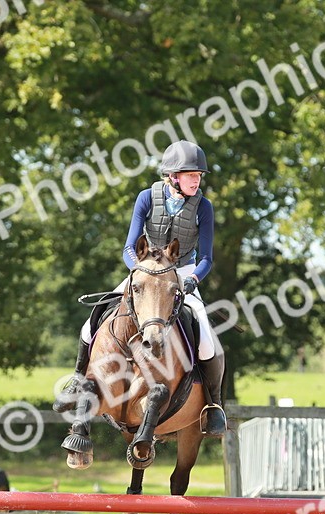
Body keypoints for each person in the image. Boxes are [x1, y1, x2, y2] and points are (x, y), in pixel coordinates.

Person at [55, 140, 226, 437]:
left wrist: (193, 279)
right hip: (145, 270)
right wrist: (139, 268)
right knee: (94, 317)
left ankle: (214, 406)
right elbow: (128, 247)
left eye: (199, 175)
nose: (197, 180)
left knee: (207, 337)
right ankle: (78, 377)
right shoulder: (146, 197)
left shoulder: (204, 207)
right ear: (173, 176)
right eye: (191, 175)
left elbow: (208, 257)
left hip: (183, 271)